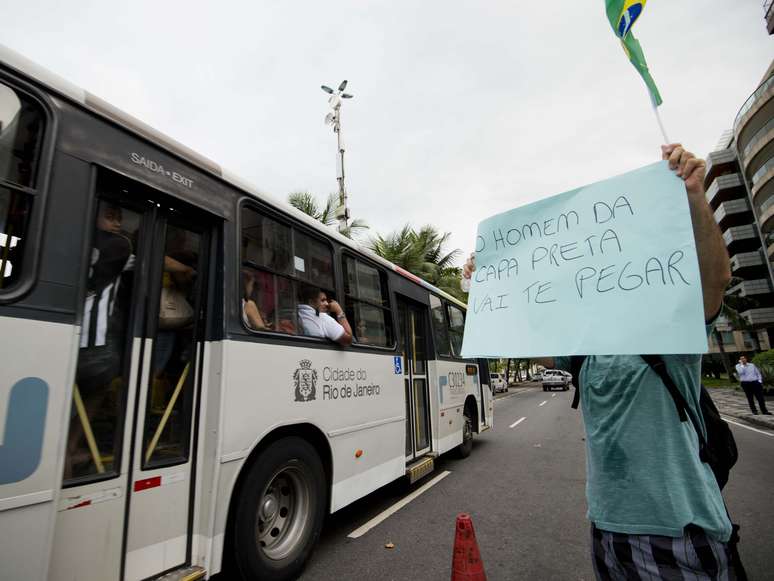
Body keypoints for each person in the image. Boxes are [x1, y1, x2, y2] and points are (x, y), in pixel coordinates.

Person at [464, 144, 739, 579]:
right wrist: (490, 286)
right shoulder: (584, 352)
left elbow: (715, 280)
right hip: (607, 530)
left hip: (677, 532)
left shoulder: (670, 339)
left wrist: (693, 195)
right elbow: (522, 333)